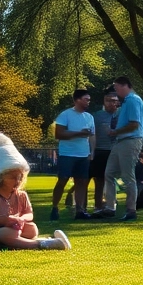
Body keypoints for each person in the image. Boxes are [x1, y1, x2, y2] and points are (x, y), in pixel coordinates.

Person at [0, 133, 70, 250]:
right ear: (0, 178)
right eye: (12, 178)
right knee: (6, 233)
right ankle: (41, 244)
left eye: (20, 177)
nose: (17, 181)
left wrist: (21, 219)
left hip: (14, 229)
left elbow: (29, 214)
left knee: (32, 228)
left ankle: (23, 242)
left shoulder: (21, 195)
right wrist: (6, 220)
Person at [102, 77, 143, 221]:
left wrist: (115, 132)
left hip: (130, 141)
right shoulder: (127, 102)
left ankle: (131, 210)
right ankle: (110, 207)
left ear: (124, 85)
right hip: (120, 141)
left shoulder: (133, 100)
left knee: (128, 176)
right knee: (109, 173)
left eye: (116, 88)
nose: (116, 91)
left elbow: (134, 124)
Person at [50, 89, 95, 221]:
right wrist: (78, 133)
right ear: (77, 100)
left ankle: (79, 210)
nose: (88, 102)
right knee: (63, 180)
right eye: (86, 99)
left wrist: (92, 151)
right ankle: (54, 207)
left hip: (83, 155)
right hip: (67, 154)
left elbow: (92, 136)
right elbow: (59, 134)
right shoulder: (65, 115)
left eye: (89, 99)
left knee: (81, 182)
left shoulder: (89, 117)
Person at [86, 90, 119, 215]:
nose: (111, 103)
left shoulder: (122, 115)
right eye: (108, 100)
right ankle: (97, 206)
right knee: (98, 180)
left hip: (115, 151)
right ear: (104, 102)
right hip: (100, 150)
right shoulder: (96, 116)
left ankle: (111, 204)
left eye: (114, 101)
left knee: (112, 179)